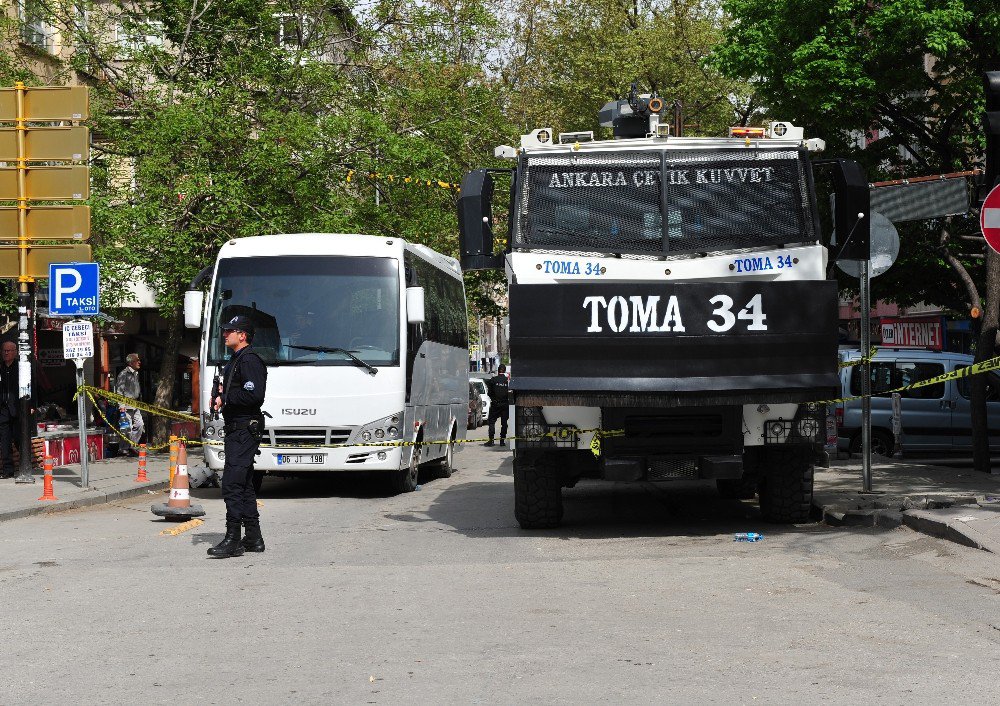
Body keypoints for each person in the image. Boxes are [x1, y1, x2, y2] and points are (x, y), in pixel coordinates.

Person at [208, 314, 268, 559]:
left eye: (229, 331)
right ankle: (253, 537)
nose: (225, 334)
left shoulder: (250, 360)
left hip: (245, 428)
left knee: (231, 483)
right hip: (236, 427)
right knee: (243, 484)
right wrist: (220, 395)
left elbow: (255, 396)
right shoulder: (235, 360)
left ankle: (233, 538)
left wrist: (226, 398)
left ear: (242, 335)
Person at [114, 353, 144, 455]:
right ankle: (123, 449)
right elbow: (119, 391)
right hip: (126, 406)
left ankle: (132, 445)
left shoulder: (136, 373)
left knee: (140, 425)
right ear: (131, 363)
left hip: (135, 404)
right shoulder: (123, 374)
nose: (139, 362)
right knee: (127, 428)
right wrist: (121, 406)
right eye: (137, 360)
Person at [0, 341, 19, 478]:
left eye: (9, 350)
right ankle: (8, 470)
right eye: (4, 351)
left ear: (15, 352)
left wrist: (32, 406)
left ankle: (25, 466)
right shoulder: (0, 368)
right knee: (5, 442)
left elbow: (33, 386)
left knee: (19, 439)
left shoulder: (21, 367)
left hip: (18, 409)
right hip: (3, 410)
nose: (6, 353)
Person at [484, 363, 510, 447]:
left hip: (495, 404)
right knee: (504, 423)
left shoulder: (493, 380)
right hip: (505, 404)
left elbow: (489, 393)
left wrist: (494, 399)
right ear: (505, 371)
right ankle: (502, 441)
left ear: (498, 370)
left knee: (491, 422)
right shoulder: (507, 380)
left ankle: (491, 441)